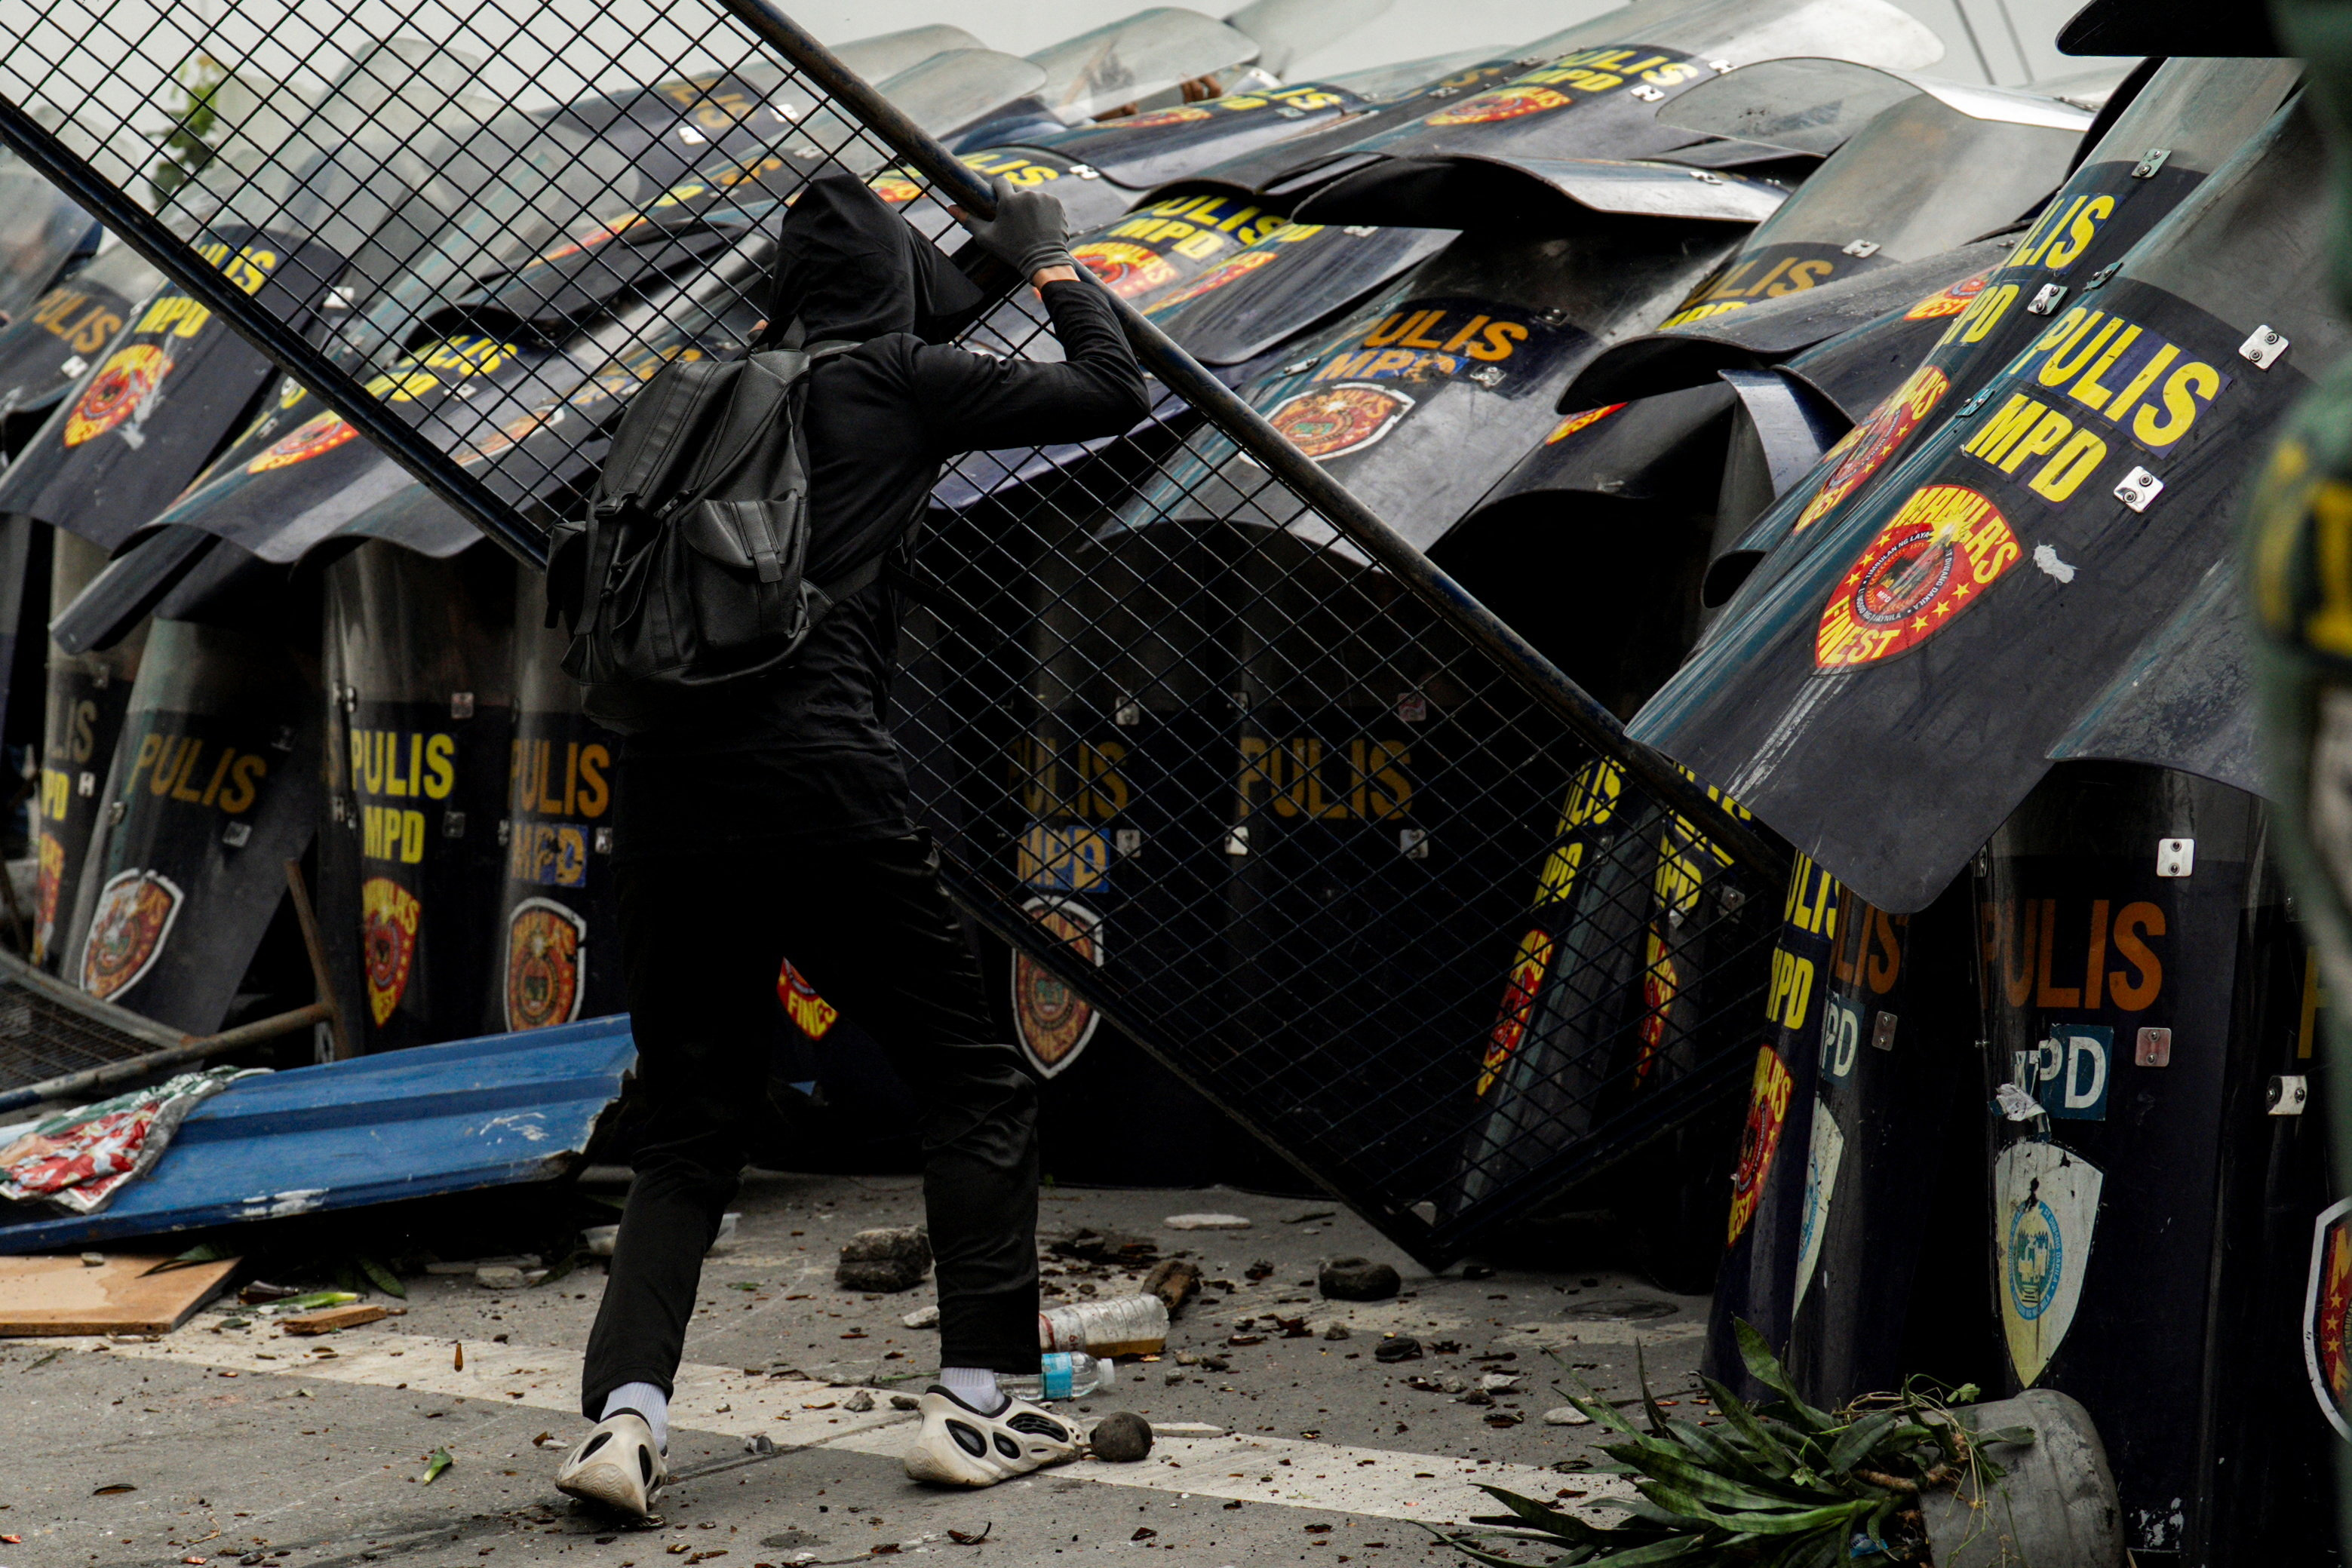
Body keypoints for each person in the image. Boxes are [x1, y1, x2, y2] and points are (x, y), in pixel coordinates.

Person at [554, 170, 1148, 1517]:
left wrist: (970, 272)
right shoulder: (898, 379)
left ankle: (623, 1425)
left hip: (656, 793)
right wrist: (1049, 265)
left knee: (687, 1132)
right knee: (974, 1081)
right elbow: (1110, 392)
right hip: (821, 787)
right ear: (892, 296)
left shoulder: (688, 394)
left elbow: (861, 313)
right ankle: (978, 1405)